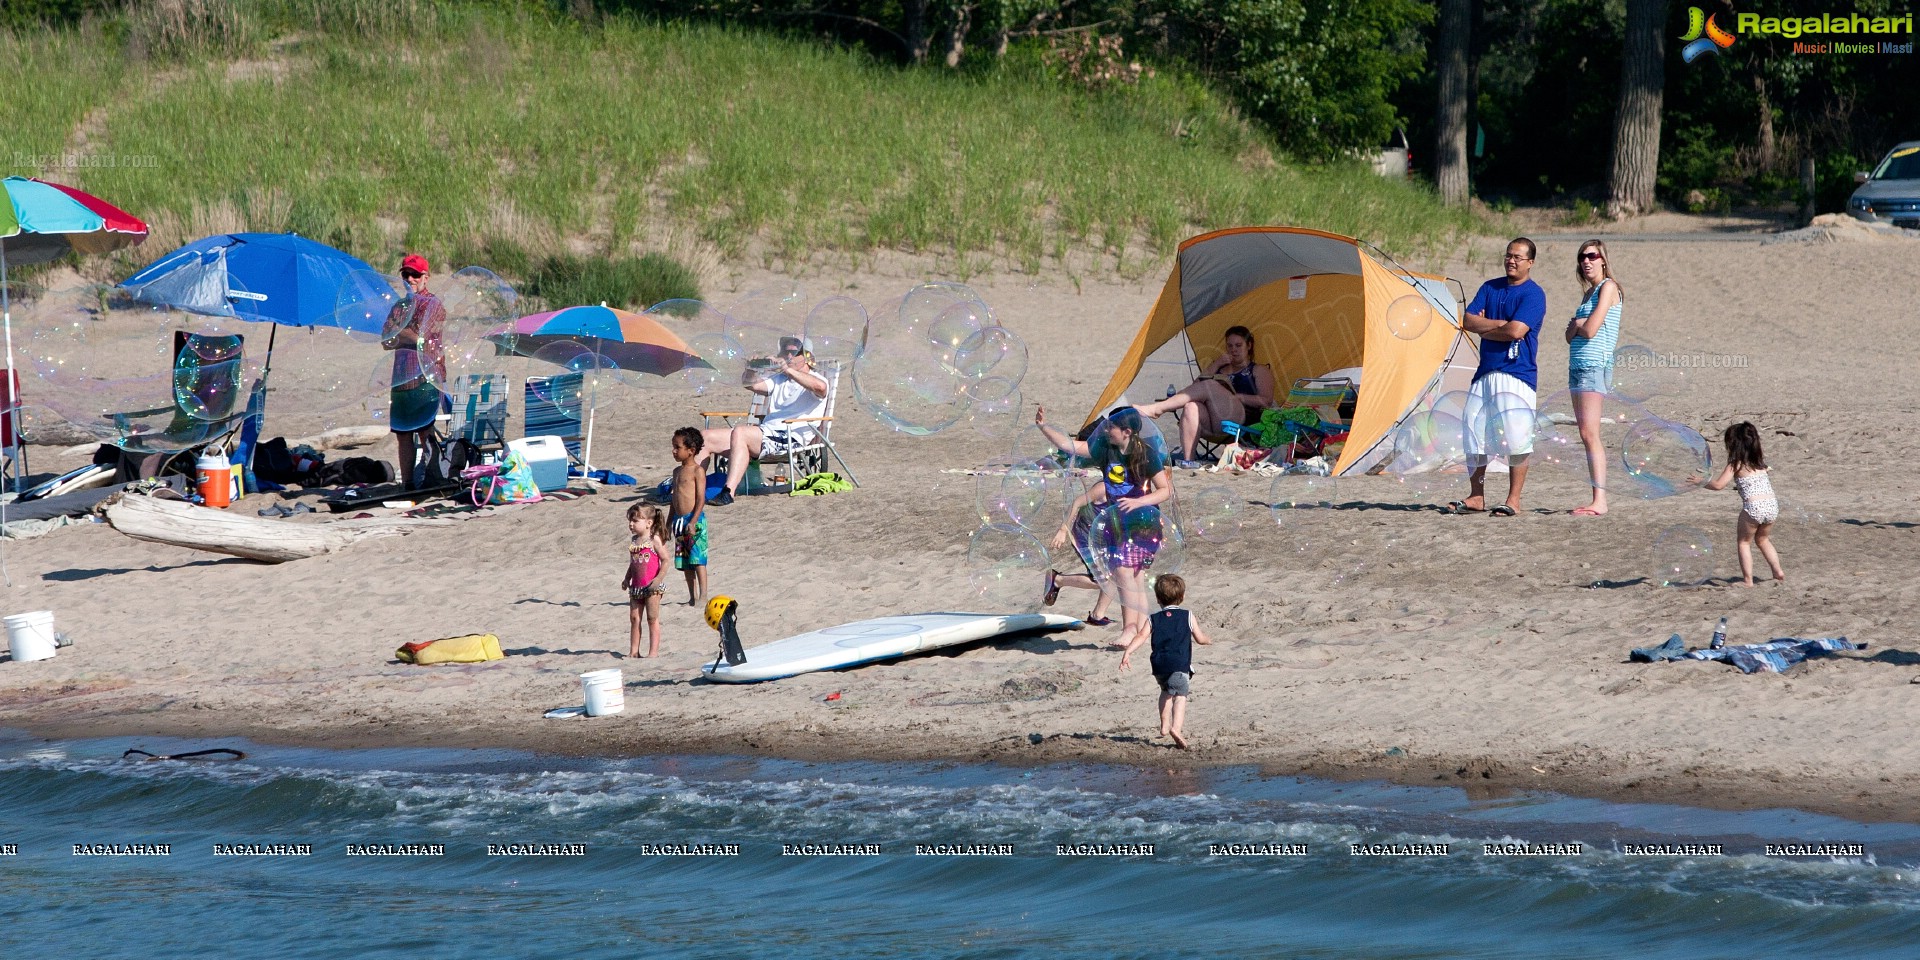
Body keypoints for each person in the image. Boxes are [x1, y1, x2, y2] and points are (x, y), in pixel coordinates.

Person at [1034, 405, 1173, 649]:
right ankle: (1139, 628)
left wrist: (1138, 501)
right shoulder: (1106, 449)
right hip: (1117, 523)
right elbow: (1070, 446)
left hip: (1143, 523)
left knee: (1124, 572)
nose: (1106, 430)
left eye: (1111, 427)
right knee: (1133, 576)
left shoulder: (1146, 454)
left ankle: (1130, 629)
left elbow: (1165, 490)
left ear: (1127, 431)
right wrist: (1044, 427)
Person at [1447, 237, 1546, 517]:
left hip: (1516, 374)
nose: (1511, 260)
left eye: (1518, 257)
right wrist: (1499, 324)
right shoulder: (1489, 287)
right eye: (1508, 255)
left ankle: (1513, 499)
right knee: (1474, 434)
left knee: (1517, 438)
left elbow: (1516, 331)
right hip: (1485, 372)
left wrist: (1488, 329)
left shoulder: (1533, 294)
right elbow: (1467, 320)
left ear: (1530, 263)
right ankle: (1476, 496)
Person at [701, 336, 828, 505]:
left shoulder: (817, 379)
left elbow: (821, 388)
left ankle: (728, 492)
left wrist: (787, 370)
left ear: (807, 356)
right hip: (767, 433)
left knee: (741, 432)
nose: (789, 356)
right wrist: (751, 369)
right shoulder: (779, 380)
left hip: (790, 436)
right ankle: (689, 489)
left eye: (794, 352)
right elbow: (751, 385)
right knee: (704, 437)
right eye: (786, 352)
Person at [1133, 326, 1274, 469]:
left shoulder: (1258, 370)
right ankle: (1189, 460)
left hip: (1241, 421)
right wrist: (1217, 364)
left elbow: (1266, 401)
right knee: (1191, 406)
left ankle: (1158, 409)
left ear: (1249, 346)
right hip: (1214, 422)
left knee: (1209, 385)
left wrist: (1238, 397)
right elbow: (1194, 388)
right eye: (1229, 346)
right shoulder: (1221, 368)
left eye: (1238, 345)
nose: (1233, 350)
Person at [1117, 574, 1215, 750]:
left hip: (1159, 666)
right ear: (1182, 597)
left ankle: (1164, 725)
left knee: (1166, 692)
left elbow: (1141, 636)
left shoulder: (1153, 618)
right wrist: (1209, 640)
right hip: (1179, 664)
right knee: (1180, 696)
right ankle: (1175, 728)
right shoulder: (1187, 615)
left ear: (1157, 598)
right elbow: (1199, 638)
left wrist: (1128, 652)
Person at [380, 254, 448, 491]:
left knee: (424, 431)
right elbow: (385, 339)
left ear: (426, 278)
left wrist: (401, 333)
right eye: (406, 274)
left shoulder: (433, 304)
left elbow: (423, 336)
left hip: (426, 376)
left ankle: (431, 478)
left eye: (415, 275)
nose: (410, 279)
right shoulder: (399, 306)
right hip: (401, 378)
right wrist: (402, 333)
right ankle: (408, 483)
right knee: (402, 434)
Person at [1565, 239, 1622, 516]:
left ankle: (1600, 500)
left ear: (1603, 259)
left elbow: (1589, 330)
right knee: (1584, 433)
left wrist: (1578, 326)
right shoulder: (1588, 294)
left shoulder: (1608, 287)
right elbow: (1568, 335)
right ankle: (1596, 497)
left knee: (1590, 434)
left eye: (1591, 256)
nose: (1586, 261)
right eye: (1581, 257)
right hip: (1577, 366)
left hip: (1594, 366)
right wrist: (1577, 326)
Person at [1699, 422, 1785, 586]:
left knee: (1744, 542)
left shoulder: (1736, 464)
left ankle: (1748, 580)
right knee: (1763, 540)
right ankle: (1777, 571)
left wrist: (1700, 482)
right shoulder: (1760, 464)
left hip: (1754, 508)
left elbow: (1718, 485)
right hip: (1772, 506)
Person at [621, 503, 671, 657]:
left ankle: (653, 652)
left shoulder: (654, 539)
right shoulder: (635, 541)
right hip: (636, 587)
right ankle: (634, 651)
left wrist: (658, 578)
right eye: (630, 520)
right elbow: (634, 563)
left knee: (652, 618)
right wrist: (626, 578)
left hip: (652, 588)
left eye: (635, 521)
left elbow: (666, 560)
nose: (631, 524)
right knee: (635, 618)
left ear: (649, 523)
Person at [668, 426, 709, 606]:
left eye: (678, 447)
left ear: (691, 451)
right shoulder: (677, 472)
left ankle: (703, 595)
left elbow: (701, 499)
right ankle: (692, 597)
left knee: (698, 559)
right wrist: (669, 522)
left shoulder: (697, 471)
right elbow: (674, 498)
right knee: (685, 562)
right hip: (679, 520)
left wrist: (693, 521)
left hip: (694, 519)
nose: (674, 451)